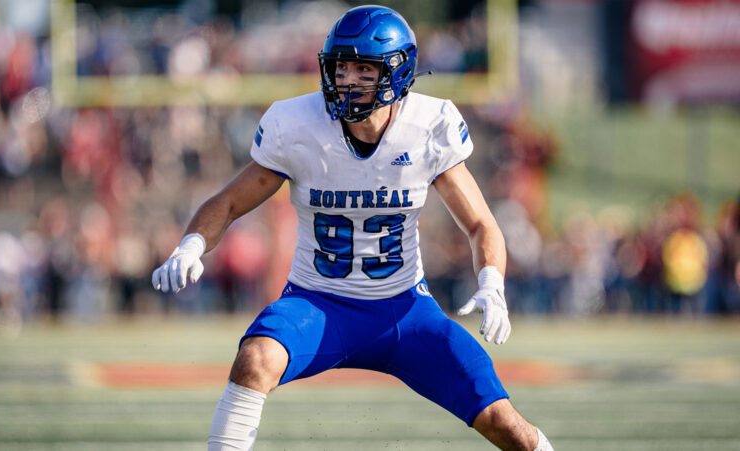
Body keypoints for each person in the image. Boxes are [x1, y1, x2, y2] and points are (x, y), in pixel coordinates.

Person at [152, 6, 554, 450]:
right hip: (317, 304)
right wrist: (191, 245)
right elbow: (228, 202)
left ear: (397, 72)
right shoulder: (298, 125)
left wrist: (492, 282)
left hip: (404, 311)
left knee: (504, 422)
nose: (348, 80)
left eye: (364, 69)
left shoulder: (428, 126)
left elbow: (480, 223)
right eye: (341, 67)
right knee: (255, 358)